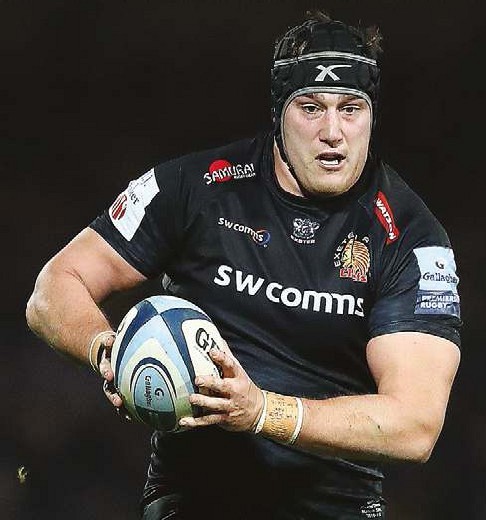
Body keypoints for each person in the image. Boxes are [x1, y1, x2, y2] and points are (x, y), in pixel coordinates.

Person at [26, 11, 462, 520]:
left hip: (335, 507)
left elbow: (416, 426)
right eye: (311, 108)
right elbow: (53, 288)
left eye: (350, 108)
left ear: (372, 116)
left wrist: (261, 412)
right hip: (194, 498)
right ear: (279, 111)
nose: (333, 132)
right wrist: (108, 351)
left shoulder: (411, 236)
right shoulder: (193, 189)